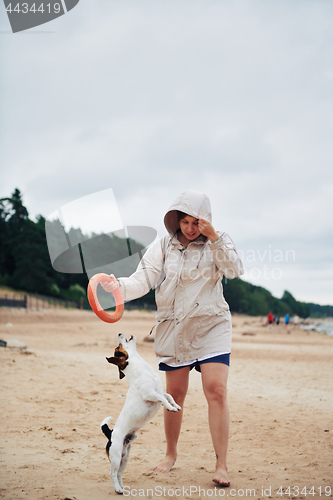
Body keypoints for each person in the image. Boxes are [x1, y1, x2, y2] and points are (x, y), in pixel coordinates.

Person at [101, 190, 244, 487]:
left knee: (216, 390)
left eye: (196, 222)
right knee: (174, 395)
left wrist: (214, 237)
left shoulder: (218, 241)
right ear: (176, 220)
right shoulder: (164, 245)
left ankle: (221, 465)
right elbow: (144, 277)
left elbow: (235, 269)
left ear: (205, 221)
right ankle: (170, 454)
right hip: (174, 329)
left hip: (211, 326)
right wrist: (118, 287)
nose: (190, 229)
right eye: (185, 222)